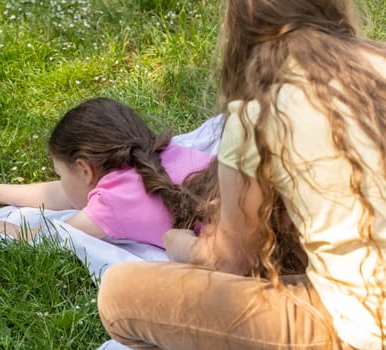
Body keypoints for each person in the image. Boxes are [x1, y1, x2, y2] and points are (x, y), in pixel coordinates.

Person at [97, 1, 386, 349]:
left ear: (241, 24)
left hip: (363, 330)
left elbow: (230, 261)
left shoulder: (261, 113)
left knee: (120, 293)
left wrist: (183, 246)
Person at [0, 97, 213, 247]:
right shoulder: (165, 151)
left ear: (84, 168)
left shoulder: (113, 204)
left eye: (61, 173)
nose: (60, 182)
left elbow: (43, 239)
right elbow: (64, 194)